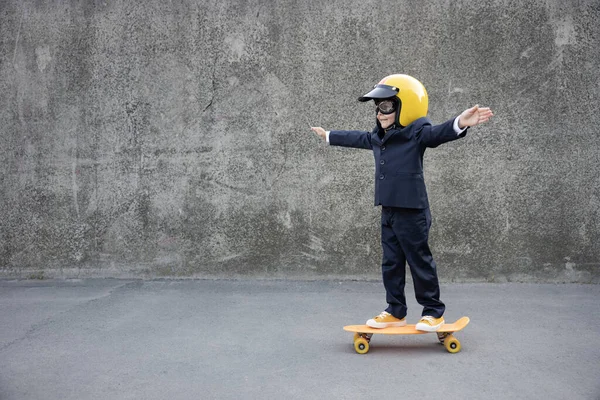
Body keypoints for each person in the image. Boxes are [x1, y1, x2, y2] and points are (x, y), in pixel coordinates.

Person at [311, 74, 493, 332]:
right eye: (377, 108)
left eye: (386, 106)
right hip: (389, 210)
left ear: (403, 107)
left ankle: (433, 312)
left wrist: (460, 123)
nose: (380, 113)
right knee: (391, 262)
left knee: (419, 261)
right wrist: (328, 135)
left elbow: (436, 134)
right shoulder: (378, 137)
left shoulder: (417, 133)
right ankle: (395, 311)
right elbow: (356, 138)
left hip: (412, 212)